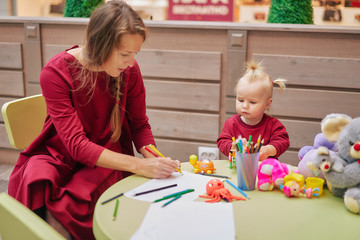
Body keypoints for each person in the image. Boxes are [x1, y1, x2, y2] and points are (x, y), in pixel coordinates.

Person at [8, 1, 180, 239]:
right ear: (101, 44)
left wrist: (154, 158)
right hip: (59, 154)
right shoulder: (55, 72)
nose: (131, 62)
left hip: (104, 154)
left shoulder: (129, 70)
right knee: (39, 179)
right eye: (124, 54)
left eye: (134, 54)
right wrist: (139, 166)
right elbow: (76, 145)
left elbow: (139, 125)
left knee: (72, 206)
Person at [217, 61, 290, 162]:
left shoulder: (273, 125)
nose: (245, 106)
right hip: (239, 169)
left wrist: (268, 150)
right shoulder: (231, 123)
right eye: (241, 100)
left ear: (267, 104)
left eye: (252, 102)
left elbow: (283, 142)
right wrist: (232, 146)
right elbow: (222, 142)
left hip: (265, 171)